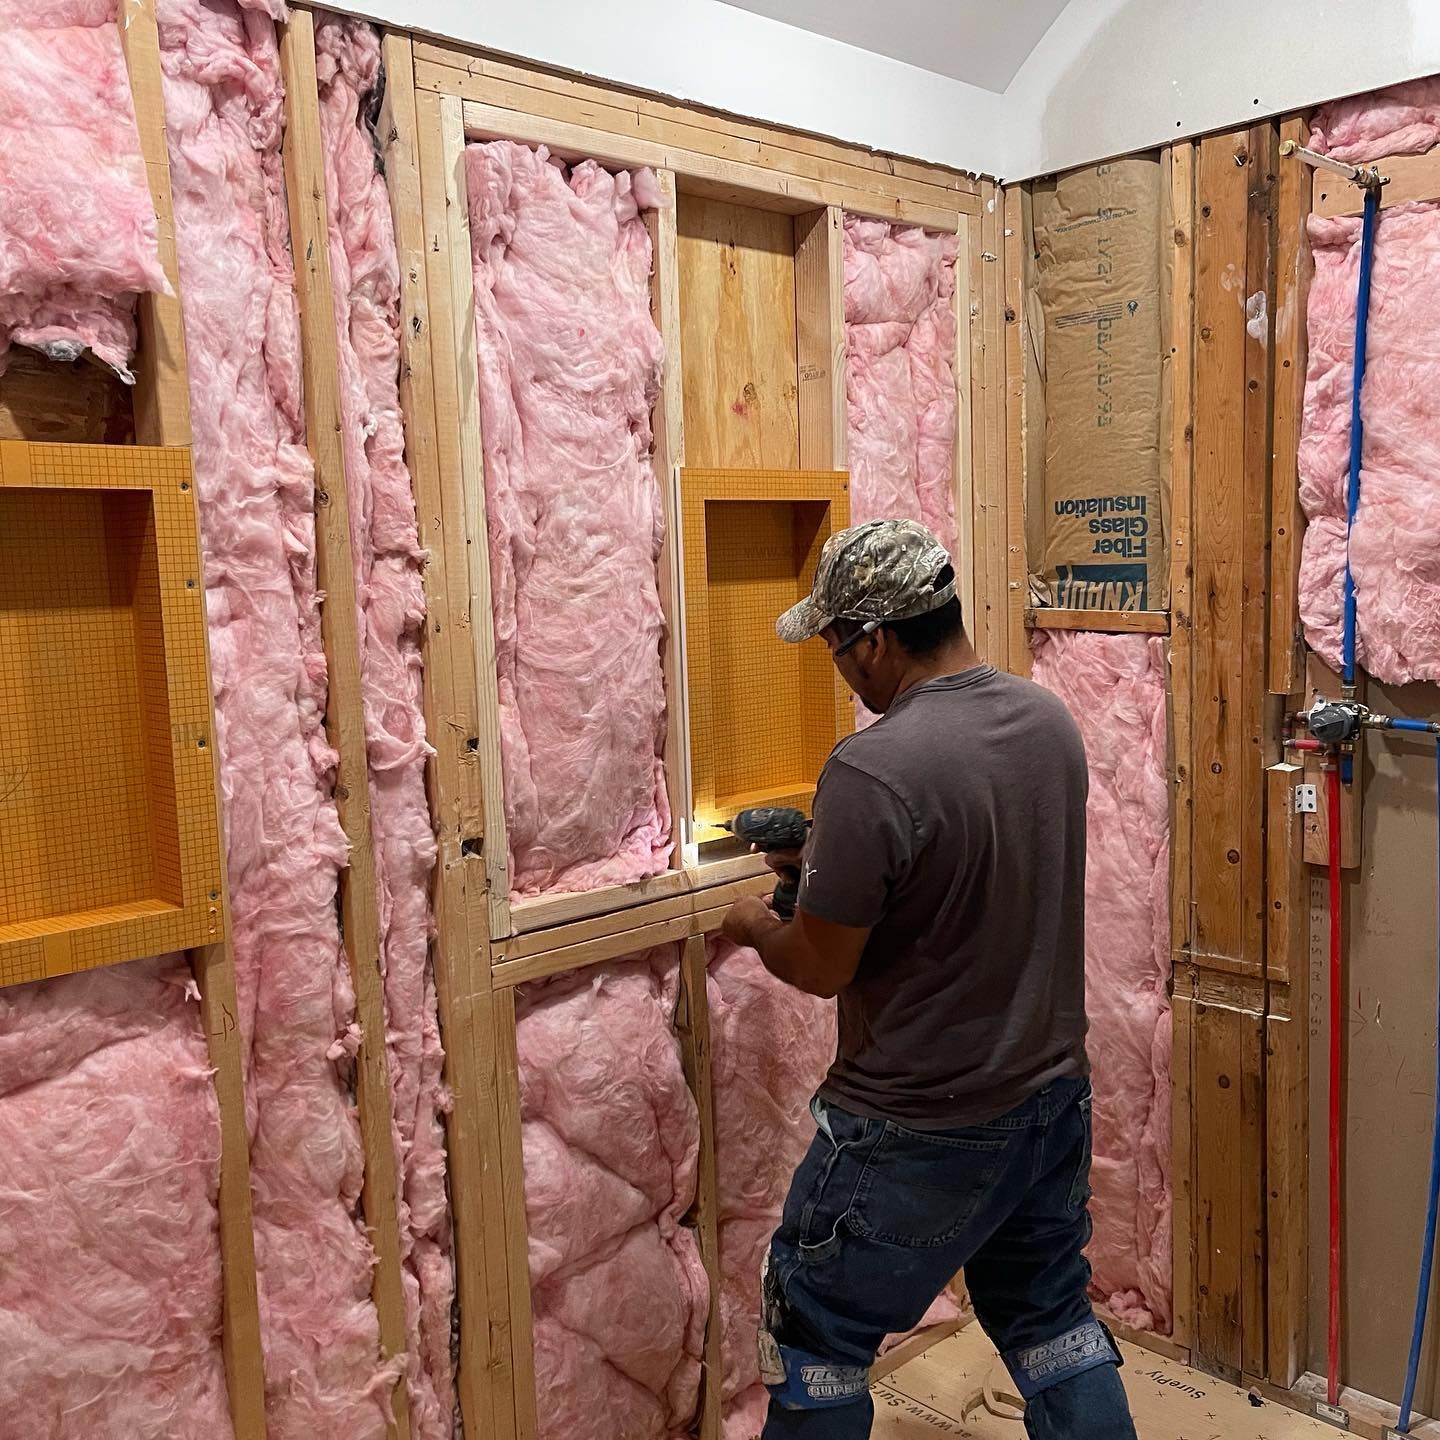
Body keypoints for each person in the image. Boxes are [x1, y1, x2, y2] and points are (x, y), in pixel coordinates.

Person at [721, 518, 1138, 1440]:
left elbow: (824, 968)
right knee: (1052, 1325)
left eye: (836, 646)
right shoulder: (1046, 721)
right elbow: (967, 883)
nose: (840, 668)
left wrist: (755, 924)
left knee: (817, 1343)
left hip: (915, 1129)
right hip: (1046, 1102)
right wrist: (824, 865)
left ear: (873, 638)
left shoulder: (873, 768)